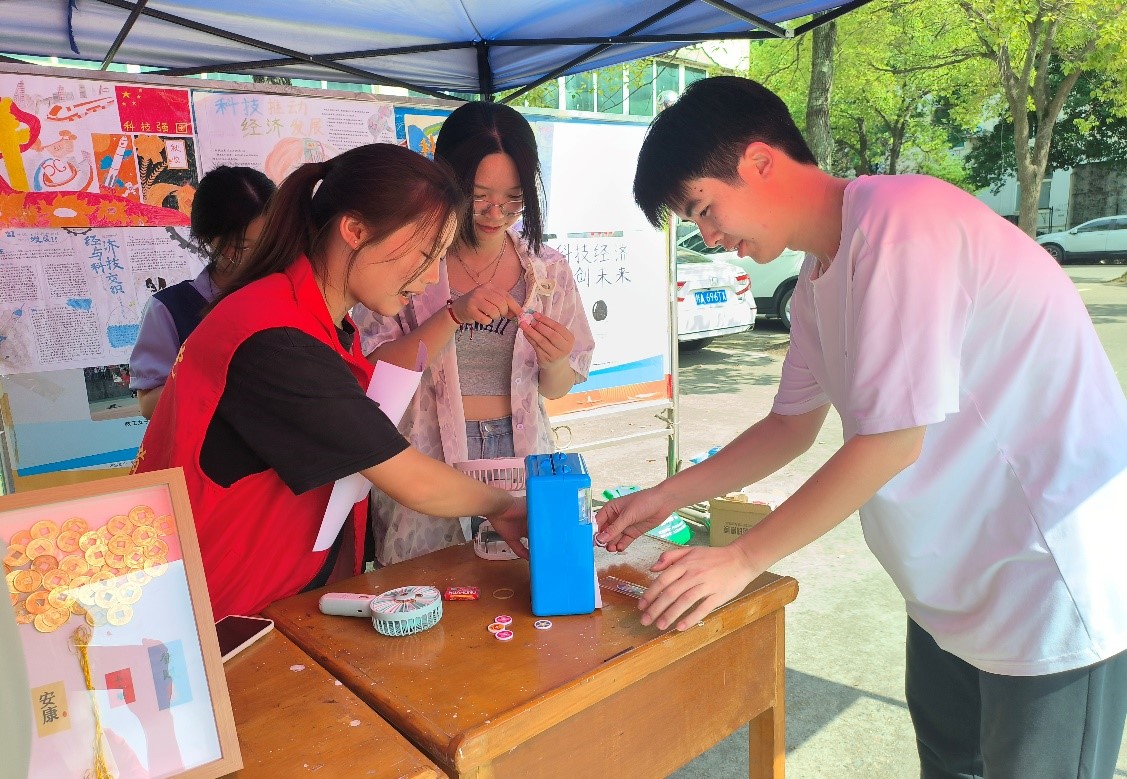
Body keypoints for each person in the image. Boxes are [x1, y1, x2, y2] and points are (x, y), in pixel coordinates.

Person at [597, 76, 1127, 779]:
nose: (711, 237)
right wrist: (663, 496)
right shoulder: (817, 279)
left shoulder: (903, 220)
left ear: (760, 161)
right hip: (948, 583)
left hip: (1044, 577)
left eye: (704, 209)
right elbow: (788, 426)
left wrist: (742, 558)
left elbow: (891, 442)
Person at [133, 144, 527, 620]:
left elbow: (372, 384)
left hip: (269, 590)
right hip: (221, 609)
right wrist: (506, 507)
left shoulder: (310, 316)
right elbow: (414, 482)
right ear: (355, 231)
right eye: (425, 255)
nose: (429, 279)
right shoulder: (275, 337)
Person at [354, 101, 594, 565]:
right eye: (479, 195)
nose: (496, 212)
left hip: (520, 452)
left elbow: (556, 388)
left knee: (521, 579)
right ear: (446, 181)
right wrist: (452, 315)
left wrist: (555, 361)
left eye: (514, 198)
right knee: (428, 582)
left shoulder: (547, 270)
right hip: (424, 452)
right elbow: (374, 376)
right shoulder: (408, 262)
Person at [129, 165, 275, 418]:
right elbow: (149, 405)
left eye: (269, 242)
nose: (259, 255)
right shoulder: (171, 308)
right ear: (208, 237)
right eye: (242, 246)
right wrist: (220, 378)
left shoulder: (283, 294)